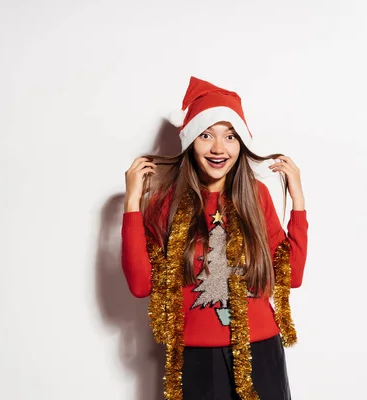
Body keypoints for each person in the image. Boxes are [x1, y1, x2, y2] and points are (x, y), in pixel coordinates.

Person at [121, 76, 308, 400]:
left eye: (230, 136)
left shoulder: (256, 195)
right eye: (206, 135)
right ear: (190, 140)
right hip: (196, 359)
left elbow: (289, 277)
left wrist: (298, 204)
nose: (219, 148)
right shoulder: (168, 203)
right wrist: (132, 204)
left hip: (261, 352)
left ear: (241, 143)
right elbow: (141, 284)